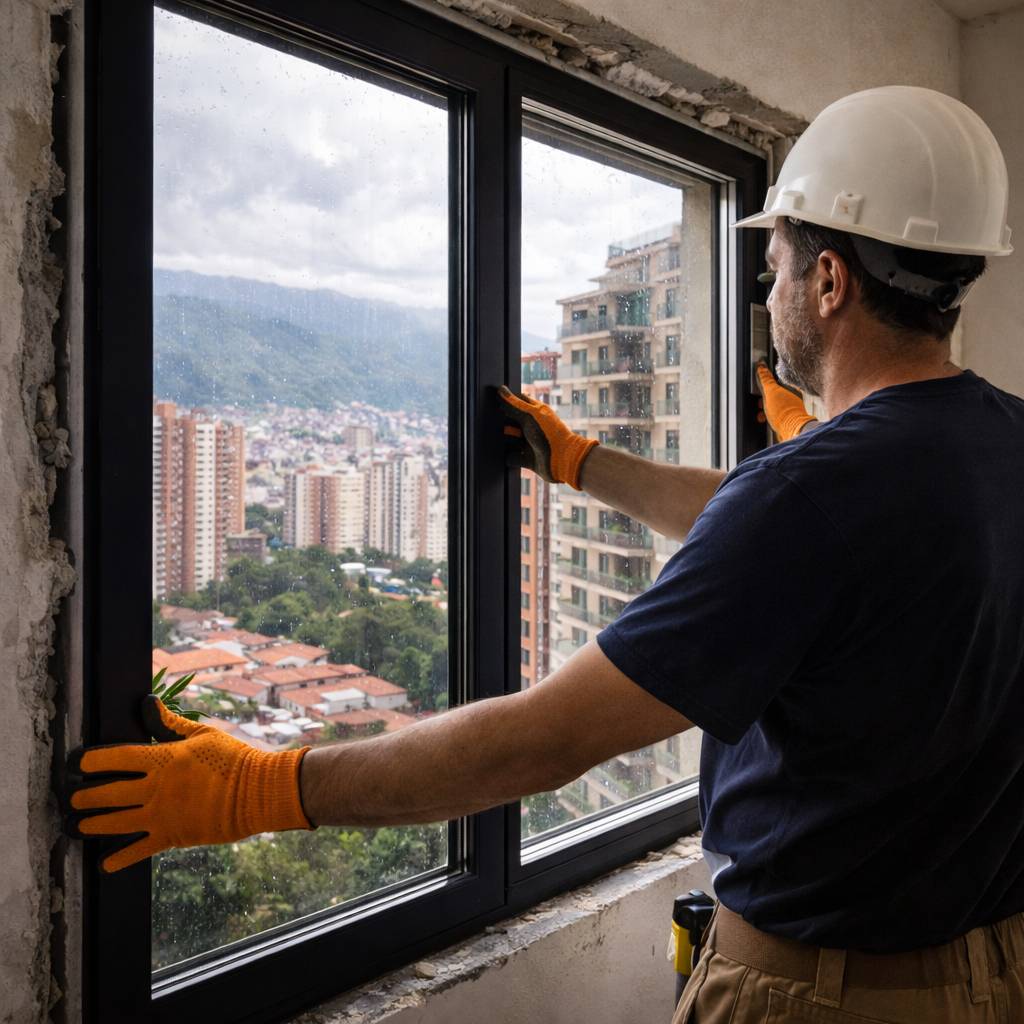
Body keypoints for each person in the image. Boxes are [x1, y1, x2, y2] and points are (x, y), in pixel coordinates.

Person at [65, 85, 1022, 1023]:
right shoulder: (994, 446)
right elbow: (783, 540)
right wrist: (579, 463)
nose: (768, 296)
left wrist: (262, 786)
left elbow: (545, 737)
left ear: (830, 279)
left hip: (825, 995)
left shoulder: (810, 496)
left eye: (774, 269)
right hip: (998, 967)